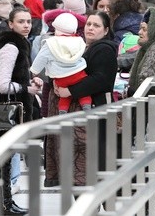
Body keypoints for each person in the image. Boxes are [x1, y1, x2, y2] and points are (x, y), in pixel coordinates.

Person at [47, 11, 118, 186]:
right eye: (89, 24)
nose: (91, 28)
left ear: (106, 30)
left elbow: (101, 79)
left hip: (94, 111)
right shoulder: (78, 46)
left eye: (96, 25)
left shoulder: (104, 49)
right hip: (77, 114)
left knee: (90, 164)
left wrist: (70, 90)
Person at [0, 7, 41, 215]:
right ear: (10, 24)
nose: (26, 25)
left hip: (8, 110)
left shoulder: (16, 44)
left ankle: (6, 202)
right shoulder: (11, 46)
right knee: (5, 160)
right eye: (20, 21)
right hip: (6, 111)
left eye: (28, 21)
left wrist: (29, 78)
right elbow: (2, 85)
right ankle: (5, 203)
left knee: (6, 160)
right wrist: (26, 88)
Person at [30, 12, 90, 114]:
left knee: (63, 96)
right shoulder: (79, 41)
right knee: (84, 95)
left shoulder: (51, 43)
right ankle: (87, 106)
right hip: (79, 75)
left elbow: (41, 59)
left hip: (61, 78)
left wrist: (34, 71)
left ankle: (62, 111)